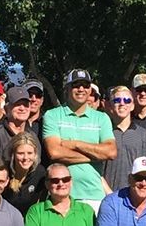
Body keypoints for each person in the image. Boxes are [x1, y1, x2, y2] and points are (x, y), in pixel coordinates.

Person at [42, 70, 117, 209]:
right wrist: (96, 156)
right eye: (76, 85)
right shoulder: (52, 115)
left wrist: (75, 144)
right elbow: (55, 152)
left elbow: (111, 152)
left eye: (85, 85)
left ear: (90, 90)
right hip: (61, 196)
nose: (81, 89)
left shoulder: (102, 118)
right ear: (67, 88)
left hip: (95, 196)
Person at [105, 85, 146, 190]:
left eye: (127, 100)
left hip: (135, 196)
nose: (122, 104)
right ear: (110, 105)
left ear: (133, 105)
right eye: (117, 100)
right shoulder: (103, 133)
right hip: (106, 195)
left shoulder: (144, 136)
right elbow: (97, 171)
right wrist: (108, 194)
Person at [0, 85, 34, 165]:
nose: (22, 108)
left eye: (25, 104)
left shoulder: (32, 135)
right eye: (17, 104)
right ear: (6, 108)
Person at [3, 132, 48, 212]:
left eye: (30, 153)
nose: (25, 158)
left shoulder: (40, 173)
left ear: (35, 154)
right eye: (20, 153)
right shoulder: (3, 172)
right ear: (13, 154)